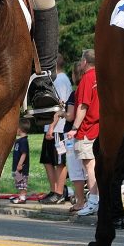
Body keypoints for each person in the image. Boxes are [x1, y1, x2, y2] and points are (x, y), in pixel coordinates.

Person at [39, 55, 73, 204]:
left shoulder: (60, 80)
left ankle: (59, 192)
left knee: (59, 162)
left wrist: (51, 128)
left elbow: (60, 107)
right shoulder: (56, 80)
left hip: (58, 129)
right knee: (48, 160)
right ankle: (54, 190)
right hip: (51, 127)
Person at [71, 49, 100, 216]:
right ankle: (98, 200)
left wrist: (74, 128)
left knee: (90, 166)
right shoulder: (101, 76)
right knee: (97, 166)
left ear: (84, 62)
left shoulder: (86, 79)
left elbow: (83, 106)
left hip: (87, 128)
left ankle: (93, 201)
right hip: (99, 126)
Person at [63, 53, 88, 212]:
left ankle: (80, 201)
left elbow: (71, 115)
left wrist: (61, 112)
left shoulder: (75, 93)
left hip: (73, 134)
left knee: (76, 170)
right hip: (87, 132)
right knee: (88, 168)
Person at [9, 119, 31, 204]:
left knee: (22, 183)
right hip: (17, 167)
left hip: (21, 167)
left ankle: (22, 198)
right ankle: (20, 196)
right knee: (18, 182)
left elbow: (24, 154)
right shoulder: (19, 140)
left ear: (19, 129)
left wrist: (20, 164)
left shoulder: (24, 141)